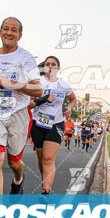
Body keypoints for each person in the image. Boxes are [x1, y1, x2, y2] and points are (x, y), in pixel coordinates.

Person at [0, 17, 42, 194]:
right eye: (5, 29)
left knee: (13, 162)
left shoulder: (26, 58)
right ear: (0, 31)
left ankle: (18, 178)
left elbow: (38, 90)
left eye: (13, 30)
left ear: (19, 35)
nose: (9, 33)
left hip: (18, 114)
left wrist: (11, 84)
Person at [29, 56, 76, 194]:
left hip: (56, 124)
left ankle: (46, 191)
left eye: (53, 64)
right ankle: (45, 180)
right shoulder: (37, 83)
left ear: (58, 67)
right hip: (38, 123)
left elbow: (73, 99)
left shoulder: (64, 85)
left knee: (48, 158)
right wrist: (43, 99)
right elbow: (30, 104)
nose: (50, 66)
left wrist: (69, 107)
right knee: (41, 158)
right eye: (48, 64)